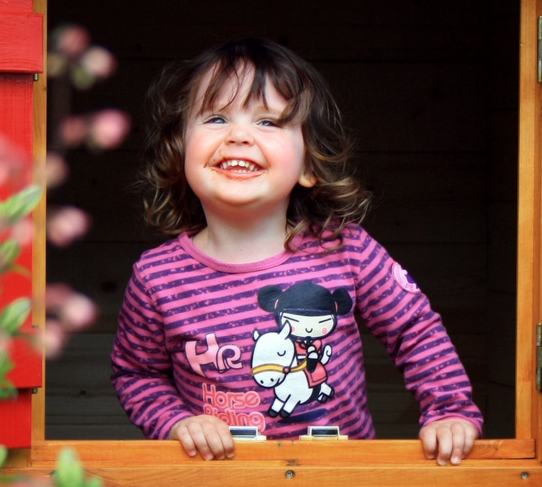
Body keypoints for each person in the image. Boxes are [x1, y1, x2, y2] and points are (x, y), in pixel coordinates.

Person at [110, 38, 482, 463]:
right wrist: (176, 422)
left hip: (338, 485)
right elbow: (135, 373)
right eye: (216, 117)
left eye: (268, 123)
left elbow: (414, 329)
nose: (239, 136)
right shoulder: (157, 276)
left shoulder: (346, 250)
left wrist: (448, 410)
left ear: (308, 165)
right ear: (180, 152)